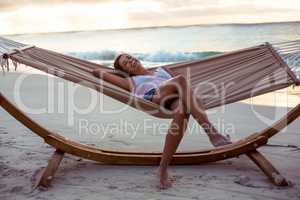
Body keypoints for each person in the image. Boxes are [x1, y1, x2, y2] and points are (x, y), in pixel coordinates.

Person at [93, 53, 231, 189]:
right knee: (180, 80)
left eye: (129, 57)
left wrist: (193, 98)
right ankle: (212, 133)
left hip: (175, 97)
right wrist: (116, 73)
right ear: (124, 71)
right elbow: (97, 72)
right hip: (152, 96)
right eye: (125, 63)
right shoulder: (130, 81)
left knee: (182, 109)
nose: (130, 60)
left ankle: (162, 169)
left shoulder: (162, 70)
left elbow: (184, 87)